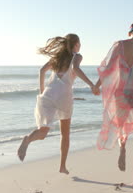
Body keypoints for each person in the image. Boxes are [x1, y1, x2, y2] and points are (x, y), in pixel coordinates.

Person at [17, 34, 96, 174]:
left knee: (42, 132)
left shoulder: (57, 58)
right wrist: (91, 84)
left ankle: (28, 139)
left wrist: (42, 91)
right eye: (79, 43)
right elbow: (76, 69)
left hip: (48, 94)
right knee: (65, 134)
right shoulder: (77, 56)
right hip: (64, 96)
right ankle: (62, 166)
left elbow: (41, 71)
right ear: (76, 44)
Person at [94, 20, 133, 187]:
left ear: (130, 32)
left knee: (120, 125)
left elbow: (107, 69)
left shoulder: (119, 45)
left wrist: (96, 86)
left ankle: (122, 147)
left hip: (121, 93)